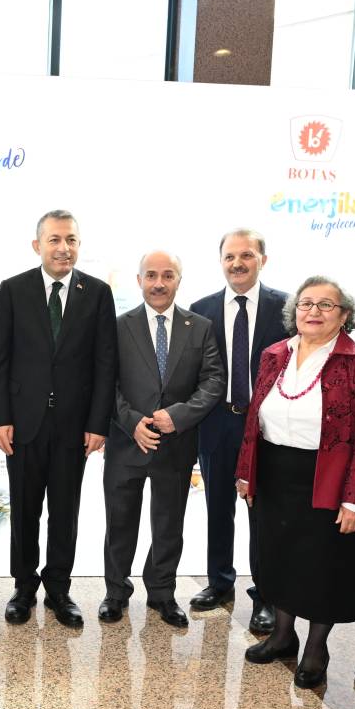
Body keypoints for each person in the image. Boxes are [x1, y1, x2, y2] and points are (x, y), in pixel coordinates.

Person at [233, 277, 355, 687]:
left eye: (325, 305)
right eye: (306, 303)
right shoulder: (274, 354)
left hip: (329, 476)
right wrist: (246, 472)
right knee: (277, 557)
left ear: (344, 315)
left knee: (324, 565)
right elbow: (254, 417)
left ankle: (317, 648)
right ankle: (282, 636)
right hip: (274, 474)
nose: (314, 311)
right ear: (294, 311)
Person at [0, 209, 116, 628]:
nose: (64, 248)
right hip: (23, 424)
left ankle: (59, 589)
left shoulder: (97, 292)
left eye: (71, 240)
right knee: (24, 510)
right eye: (55, 240)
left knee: (65, 511)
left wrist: (98, 423)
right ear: (37, 245)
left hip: (74, 427)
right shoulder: (13, 289)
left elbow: (105, 364)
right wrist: (0, 418)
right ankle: (23, 588)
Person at [100, 251, 224, 627]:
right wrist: (132, 422)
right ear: (139, 280)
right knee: (120, 523)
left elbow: (213, 380)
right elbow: (105, 383)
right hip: (127, 442)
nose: (159, 283)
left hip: (176, 444)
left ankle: (162, 593)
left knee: (169, 524)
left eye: (167, 275)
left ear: (178, 281)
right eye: (151, 275)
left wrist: (178, 416)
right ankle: (115, 593)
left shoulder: (200, 327)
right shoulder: (117, 326)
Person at [188, 229, 289, 634]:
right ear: (221, 262)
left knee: (262, 512)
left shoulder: (287, 308)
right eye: (230, 256)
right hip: (217, 422)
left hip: (266, 427)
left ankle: (266, 594)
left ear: (263, 259)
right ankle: (219, 582)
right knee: (218, 507)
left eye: (246, 255)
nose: (237, 263)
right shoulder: (201, 310)